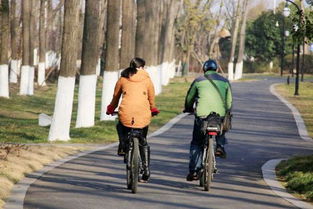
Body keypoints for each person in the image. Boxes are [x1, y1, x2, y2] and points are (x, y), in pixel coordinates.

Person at [106, 57, 160, 182]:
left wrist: (110, 109)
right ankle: (146, 170)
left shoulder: (123, 79)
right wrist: (153, 109)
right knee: (143, 140)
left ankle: (123, 146)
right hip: (143, 114)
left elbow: (115, 98)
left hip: (126, 113)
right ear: (141, 67)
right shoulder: (147, 80)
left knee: (120, 125)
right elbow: (151, 98)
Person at [184, 59, 232, 181]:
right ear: (216, 69)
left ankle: (194, 171)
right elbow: (229, 101)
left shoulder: (198, 81)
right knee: (222, 123)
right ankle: (220, 146)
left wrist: (188, 108)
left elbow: (190, 97)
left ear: (204, 69)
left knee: (196, 143)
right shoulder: (225, 81)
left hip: (202, 115)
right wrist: (226, 110)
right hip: (218, 115)